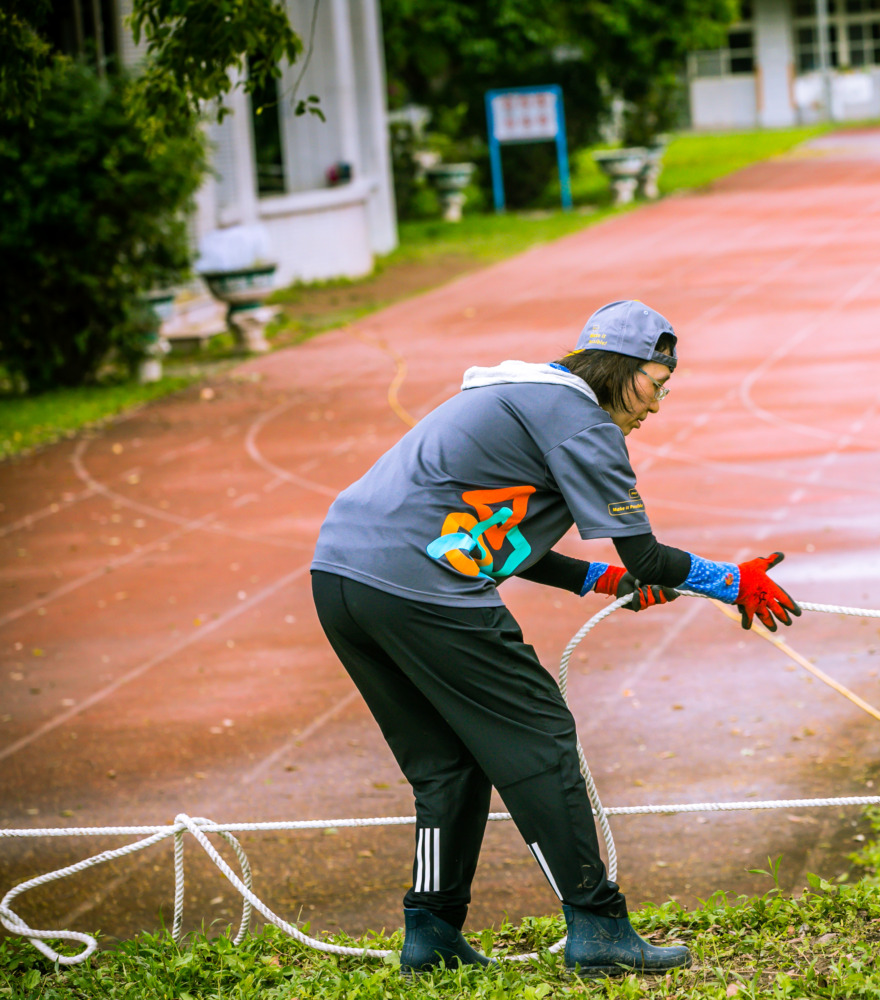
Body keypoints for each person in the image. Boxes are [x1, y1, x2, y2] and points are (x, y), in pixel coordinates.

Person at [310, 300, 800, 978]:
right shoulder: (581, 420)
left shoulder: (521, 392)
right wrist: (729, 580)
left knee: (445, 766)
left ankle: (430, 936)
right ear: (624, 371)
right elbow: (651, 557)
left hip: (340, 578)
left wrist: (604, 583)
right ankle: (598, 927)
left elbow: (490, 532)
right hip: (421, 590)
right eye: (657, 386)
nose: (658, 406)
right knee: (539, 741)